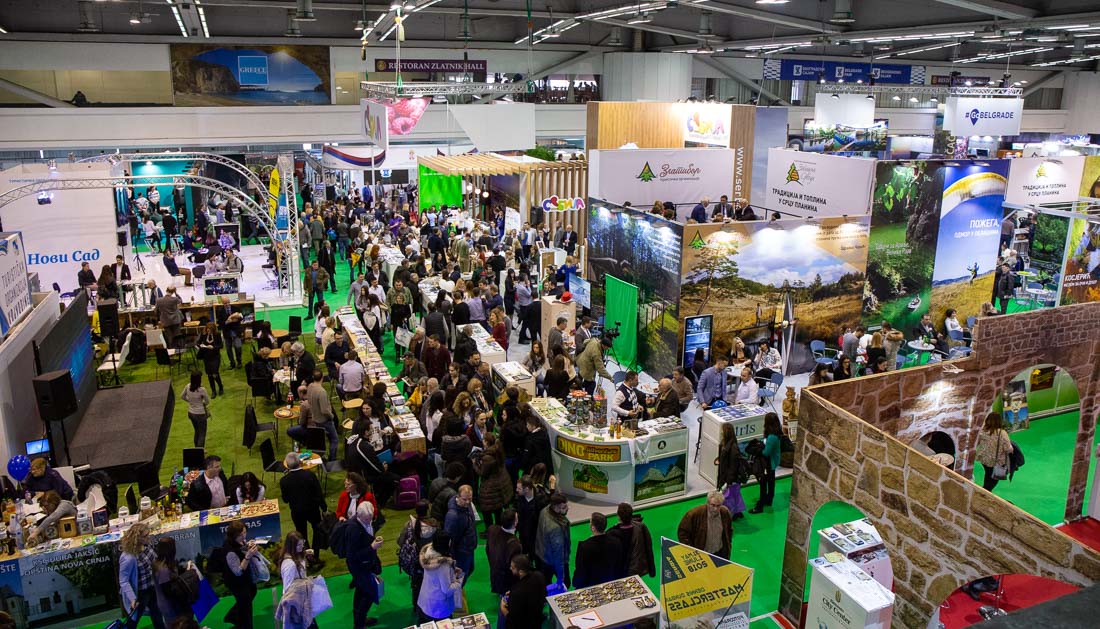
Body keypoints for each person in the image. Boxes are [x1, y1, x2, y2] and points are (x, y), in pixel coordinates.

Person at [219, 521, 266, 629]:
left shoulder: (238, 541)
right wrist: (248, 556)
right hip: (236, 582)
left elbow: (241, 548)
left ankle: (233, 615)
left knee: (252, 591)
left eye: (244, 532)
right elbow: (238, 571)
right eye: (240, 535)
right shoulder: (229, 552)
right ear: (234, 536)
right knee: (245, 605)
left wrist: (248, 546)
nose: (244, 536)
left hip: (245, 579)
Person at [119, 523, 165, 629]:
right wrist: (132, 598)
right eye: (145, 536)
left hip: (152, 587)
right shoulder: (128, 557)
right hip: (140, 593)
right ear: (137, 538)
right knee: (133, 621)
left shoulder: (147, 545)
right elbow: (123, 581)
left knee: (157, 615)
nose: (148, 537)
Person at [280, 452, 327, 555]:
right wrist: (324, 508)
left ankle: (307, 555)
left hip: (297, 512)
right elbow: (318, 493)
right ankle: (315, 554)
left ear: (287, 465)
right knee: (317, 530)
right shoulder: (310, 475)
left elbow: (285, 499)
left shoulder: (284, 481)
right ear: (299, 462)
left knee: (301, 533)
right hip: (313, 510)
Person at [347, 502, 385, 629]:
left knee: (361, 591)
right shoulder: (353, 530)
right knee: (368, 594)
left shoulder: (363, 523)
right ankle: (359, 624)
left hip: (366, 564)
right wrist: (372, 547)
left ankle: (360, 621)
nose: (370, 522)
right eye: (367, 519)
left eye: (371, 518)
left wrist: (373, 542)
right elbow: (353, 556)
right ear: (358, 515)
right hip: (359, 567)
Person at [486, 508, 524, 627]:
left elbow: (488, 550)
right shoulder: (515, 545)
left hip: (495, 575)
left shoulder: (492, 530)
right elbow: (513, 568)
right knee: (506, 606)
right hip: (506, 581)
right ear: (515, 523)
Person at [276, 531, 318, 629]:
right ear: (292, 546)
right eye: (299, 545)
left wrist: (305, 553)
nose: (302, 546)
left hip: (302, 600)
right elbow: (288, 589)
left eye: (302, 543)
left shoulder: (296, 555)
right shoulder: (289, 564)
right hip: (297, 604)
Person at [418, 532, 463, 621]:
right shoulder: (443, 565)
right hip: (439, 608)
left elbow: (435, 575)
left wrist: (452, 570)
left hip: (426, 600)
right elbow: (447, 589)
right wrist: (459, 579)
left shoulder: (428, 553)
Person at [573, 512, 624, 588]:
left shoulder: (584, 547)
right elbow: (619, 564)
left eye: (590, 522)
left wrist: (576, 583)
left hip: (591, 585)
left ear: (593, 528)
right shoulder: (616, 542)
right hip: (611, 582)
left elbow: (581, 569)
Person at [676, 491, 733, 559]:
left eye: (718, 506)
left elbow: (729, 530)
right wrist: (691, 550)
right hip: (701, 554)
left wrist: (727, 544)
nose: (715, 509)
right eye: (713, 505)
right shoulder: (694, 514)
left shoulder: (725, 512)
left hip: (720, 553)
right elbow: (683, 533)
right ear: (707, 503)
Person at [153, 537, 197, 626]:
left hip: (171, 604)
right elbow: (168, 592)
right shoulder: (163, 570)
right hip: (170, 606)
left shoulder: (163, 563)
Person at [606, 503, 655, 578]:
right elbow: (649, 547)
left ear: (618, 516)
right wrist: (652, 570)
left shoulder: (611, 533)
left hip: (623, 572)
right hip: (637, 568)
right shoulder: (641, 526)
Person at [500, 555, 546, 629]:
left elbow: (513, 620)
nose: (510, 568)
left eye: (513, 567)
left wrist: (503, 609)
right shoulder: (539, 576)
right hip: (537, 619)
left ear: (521, 572)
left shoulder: (518, 592)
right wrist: (513, 592)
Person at [444, 484, 478, 584]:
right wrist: (452, 559)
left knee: (470, 569)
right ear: (458, 497)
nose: (467, 502)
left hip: (469, 548)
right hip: (461, 552)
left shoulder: (467, 505)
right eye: (464, 499)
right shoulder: (452, 516)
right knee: (460, 578)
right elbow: (449, 539)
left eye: (470, 499)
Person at [536, 492, 571, 587]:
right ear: (556, 508)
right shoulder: (555, 528)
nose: (567, 508)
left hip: (543, 555)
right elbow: (558, 554)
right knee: (566, 584)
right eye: (564, 507)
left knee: (545, 582)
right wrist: (560, 578)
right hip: (552, 560)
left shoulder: (544, 511)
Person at [749, 413, 782, 514]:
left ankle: (760, 506)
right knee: (771, 481)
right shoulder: (777, 433)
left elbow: (766, 453)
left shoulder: (771, 437)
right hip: (773, 462)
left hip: (768, 463)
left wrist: (757, 450)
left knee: (763, 483)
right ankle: (769, 499)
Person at [716, 423, 748, 520]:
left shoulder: (733, 448)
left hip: (731, 478)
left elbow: (733, 466)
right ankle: (737, 512)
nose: (721, 432)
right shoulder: (724, 444)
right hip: (726, 476)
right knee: (735, 494)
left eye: (722, 430)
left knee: (729, 496)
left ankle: (731, 514)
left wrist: (728, 481)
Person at [976, 411, 1013, 492]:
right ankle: (985, 492)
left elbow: (977, 443)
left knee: (988, 474)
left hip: (984, 459)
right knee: (994, 479)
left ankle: (985, 490)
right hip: (996, 461)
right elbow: (1008, 449)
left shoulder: (983, 431)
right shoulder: (1002, 433)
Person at [514, 476, 547, 559]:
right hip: (523, 533)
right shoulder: (518, 497)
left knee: (536, 556)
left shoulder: (541, 499)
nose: (516, 490)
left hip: (536, 535)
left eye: (519, 488)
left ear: (527, 489)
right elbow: (515, 510)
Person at [179, 371, 211, 448]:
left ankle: (196, 448)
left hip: (191, 413)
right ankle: (199, 451)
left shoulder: (188, 386)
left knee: (197, 431)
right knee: (202, 434)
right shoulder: (202, 390)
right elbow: (207, 401)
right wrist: (202, 403)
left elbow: (182, 396)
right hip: (200, 414)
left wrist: (190, 401)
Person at [197, 322, 225, 397]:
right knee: (209, 375)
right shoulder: (203, 334)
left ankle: (220, 387)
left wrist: (213, 347)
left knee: (215, 373)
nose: (208, 331)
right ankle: (213, 391)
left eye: (210, 329)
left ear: (213, 329)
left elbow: (221, 345)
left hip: (215, 356)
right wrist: (201, 346)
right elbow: (198, 343)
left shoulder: (217, 334)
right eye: (207, 329)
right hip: (206, 357)